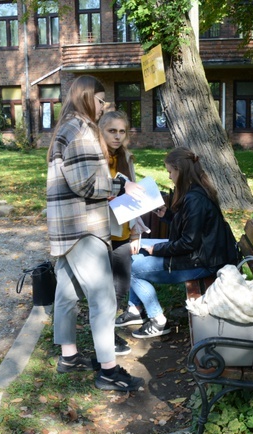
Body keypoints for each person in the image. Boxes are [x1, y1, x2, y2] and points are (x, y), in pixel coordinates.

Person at [46, 75, 144, 392]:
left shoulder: (67, 129)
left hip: (66, 229)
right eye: (101, 101)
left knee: (67, 294)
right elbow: (87, 184)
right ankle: (108, 370)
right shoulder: (80, 130)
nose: (104, 108)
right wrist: (121, 184)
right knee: (102, 300)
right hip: (83, 229)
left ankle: (69, 356)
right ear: (88, 98)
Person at [121, 147, 239, 339]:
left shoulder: (195, 199)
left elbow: (188, 242)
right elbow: (191, 229)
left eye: (170, 172)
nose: (169, 177)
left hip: (202, 263)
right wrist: (167, 216)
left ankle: (157, 320)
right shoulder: (196, 192)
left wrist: (156, 249)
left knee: (130, 267)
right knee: (133, 256)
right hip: (202, 256)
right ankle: (135, 309)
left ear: (180, 171)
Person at [98, 110, 150, 355]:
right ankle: (105, 336)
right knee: (101, 287)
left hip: (122, 230)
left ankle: (108, 332)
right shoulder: (94, 158)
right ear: (101, 131)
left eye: (122, 131)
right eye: (112, 131)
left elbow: (136, 195)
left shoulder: (126, 157)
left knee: (121, 284)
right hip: (98, 231)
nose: (117, 136)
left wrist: (136, 233)